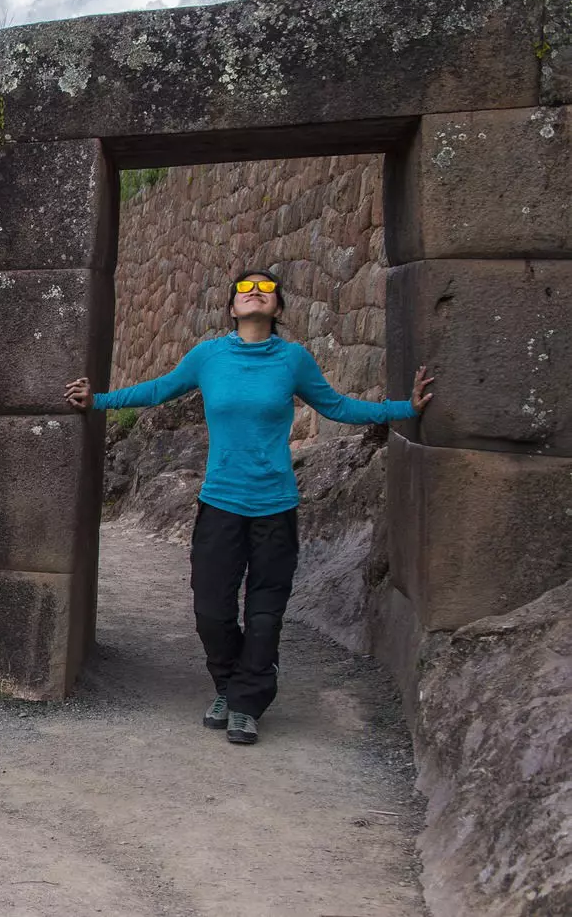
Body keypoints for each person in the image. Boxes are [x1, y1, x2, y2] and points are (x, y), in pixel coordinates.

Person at [64, 271, 433, 745]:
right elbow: (157, 390)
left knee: (264, 612)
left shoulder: (293, 360)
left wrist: (406, 409)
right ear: (232, 308)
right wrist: (96, 400)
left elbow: (338, 407)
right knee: (210, 610)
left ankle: (245, 703)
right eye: (243, 289)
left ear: (278, 309)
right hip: (220, 504)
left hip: (275, 507)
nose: (254, 291)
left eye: (265, 288)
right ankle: (230, 684)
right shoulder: (209, 357)